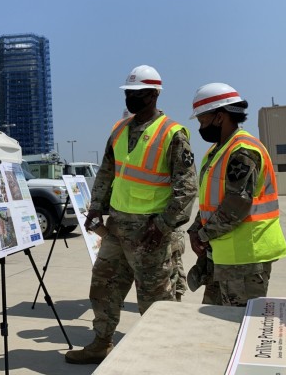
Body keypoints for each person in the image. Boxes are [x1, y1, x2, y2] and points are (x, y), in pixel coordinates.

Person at [65, 65, 197, 365]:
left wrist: (163, 225)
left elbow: (186, 188)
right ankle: (101, 342)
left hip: (152, 231)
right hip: (117, 227)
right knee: (104, 285)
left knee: (155, 298)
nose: (131, 99)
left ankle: (160, 356)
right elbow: (107, 172)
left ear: (153, 94)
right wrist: (96, 207)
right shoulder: (120, 130)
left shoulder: (173, 133)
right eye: (128, 93)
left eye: (137, 94)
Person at [187, 83, 286, 307]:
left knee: (238, 327)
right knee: (214, 327)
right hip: (222, 254)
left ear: (220, 117)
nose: (201, 127)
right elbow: (211, 201)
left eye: (203, 120)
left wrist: (203, 235)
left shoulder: (243, 150)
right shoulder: (216, 151)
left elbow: (236, 204)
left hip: (246, 258)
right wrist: (195, 228)